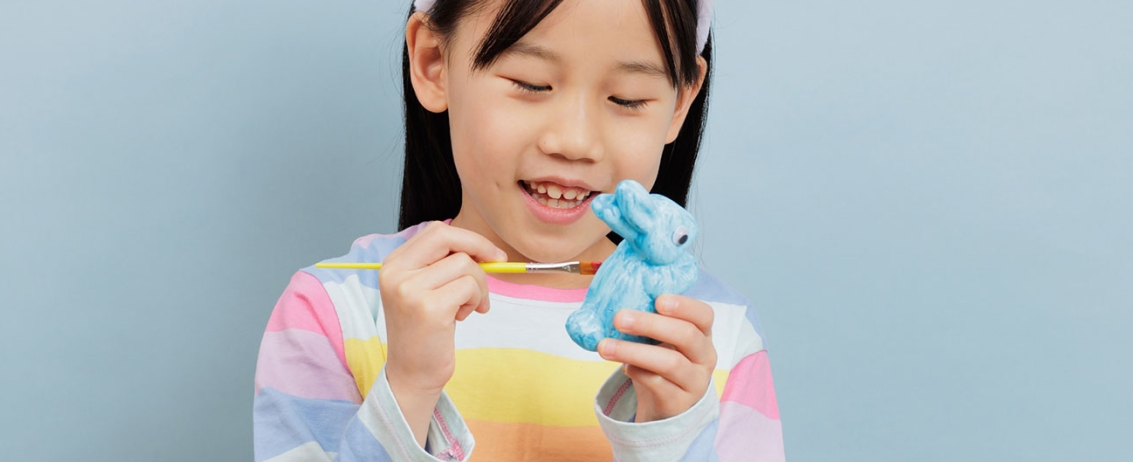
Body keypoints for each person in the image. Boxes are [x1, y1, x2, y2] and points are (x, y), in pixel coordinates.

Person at [253, 0, 780, 460]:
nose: (575, 141)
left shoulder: (714, 339)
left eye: (626, 99)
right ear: (434, 62)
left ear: (680, 101)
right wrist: (408, 389)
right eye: (531, 84)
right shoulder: (331, 312)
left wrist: (671, 438)